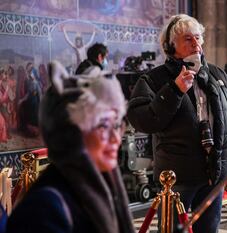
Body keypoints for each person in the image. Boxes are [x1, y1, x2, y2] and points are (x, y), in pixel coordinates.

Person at [127, 14, 227, 233]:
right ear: (171, 47)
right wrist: (174, 90)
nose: (195, 43)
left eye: (198, 38)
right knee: (172, 230)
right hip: (177, 176)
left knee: (209, 229)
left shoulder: (218, 75)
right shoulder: (154, 79)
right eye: (187, 39)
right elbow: (142, 120)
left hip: (216, 171)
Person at [6, 61, 135, 233]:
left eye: (117, 124)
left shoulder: (100, 188)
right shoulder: (45, 210)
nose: (115, 138)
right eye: (103, 125)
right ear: (72, 133)